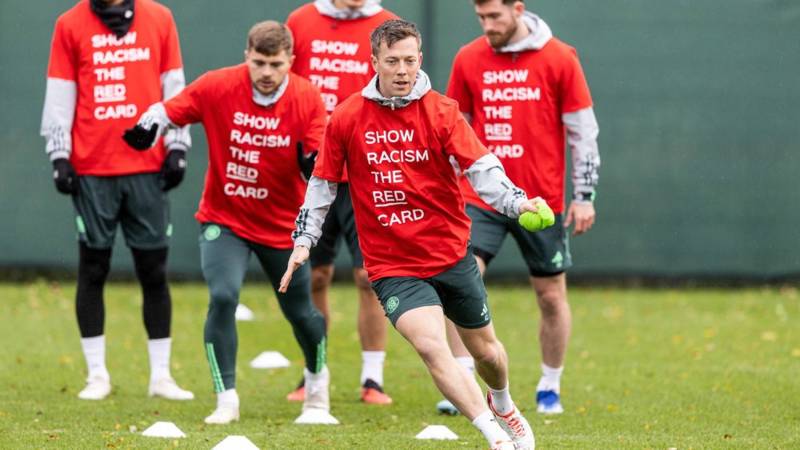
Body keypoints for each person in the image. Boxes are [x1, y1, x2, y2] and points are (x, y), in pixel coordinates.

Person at [280, 19, 540, 449]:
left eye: (409, 60)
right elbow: (323, 185)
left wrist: (517, 201)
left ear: (419, 59)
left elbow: (481, 167)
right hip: (392, 265)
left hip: (449, 253)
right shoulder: (347, 116)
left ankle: (503, 403)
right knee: (432, 347)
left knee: (488, 355)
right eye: (392, 61)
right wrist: (303, 241)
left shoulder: (441, 111)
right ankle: (493, 436)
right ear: (374, 62)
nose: (402, 70)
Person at [124, 21, 333, 425]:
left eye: (275, 64)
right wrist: (147, 128)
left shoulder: (308, 97)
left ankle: (317, 384)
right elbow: (170, 110)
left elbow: (318, 152)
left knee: (301, 312)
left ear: (291, 60)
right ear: (246, 57)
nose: (267, 73)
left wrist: (312, 163)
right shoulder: (218, 86)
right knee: (222, 297)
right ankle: (226, 399)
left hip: (283, 227)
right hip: (225, 219)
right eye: (259, 63)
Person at [440, 0, 601, 415]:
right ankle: (461, 382)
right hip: (482, 195)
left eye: (495, 16)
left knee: (550, 295)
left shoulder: (560, 57)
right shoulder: (468, 57)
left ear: (518, 9)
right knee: (462, 277)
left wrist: (584, 196)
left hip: (540, 199)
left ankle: (550, 385)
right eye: (481, 18)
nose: (487, 25)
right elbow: (453, 126)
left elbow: (583, 130)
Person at [40, 0, 193, 401]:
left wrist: (177, 145)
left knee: (153, 269)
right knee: (93, 268)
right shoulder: (69, 24)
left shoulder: (160, 18)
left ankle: (161, 376)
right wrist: (59, 154)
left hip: (147, 166)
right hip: (93, 169)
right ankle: (97, 376)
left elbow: (174, 86)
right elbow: (60, 90)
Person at [284, 0, 397, 405]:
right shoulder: (301, 20)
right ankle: (314, 372)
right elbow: (287, 87)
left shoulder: (387, 23)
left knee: (371, 278)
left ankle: (373, 379)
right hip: (316, 172)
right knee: (314, 276)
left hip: (369, 174)